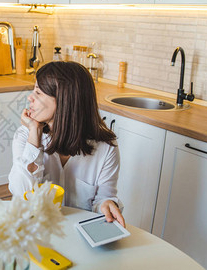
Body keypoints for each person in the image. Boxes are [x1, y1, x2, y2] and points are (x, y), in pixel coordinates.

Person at [8, 61, 125, 227]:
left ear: (64, 101)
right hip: (37, 230)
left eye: (38, 93)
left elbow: (104, 199)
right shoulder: (26, 136)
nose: (30, 97)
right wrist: (34, 133)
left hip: (81, 233)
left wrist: (106, 204)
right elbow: (21, 193)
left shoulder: (106, 147)